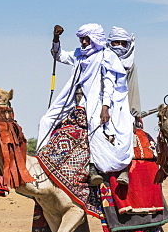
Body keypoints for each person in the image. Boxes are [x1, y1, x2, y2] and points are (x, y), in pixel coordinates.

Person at [38, 23, 134, 184]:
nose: (83, 42)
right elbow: (58, 55)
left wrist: (105, 107)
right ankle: (43, 161)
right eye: (81, 39)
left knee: (93, 125)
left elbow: (109, 83)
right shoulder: (78, 54)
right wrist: (56, 39)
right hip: (71, 97)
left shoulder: (106, 56)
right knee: (46, 121)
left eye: (86, 39)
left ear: (95, 39)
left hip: (97, 99)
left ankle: (94, 166)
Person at [108, 26, 140, 115]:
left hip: (123, 108)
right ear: (111, 43)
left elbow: (133, 89)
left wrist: (135, 114)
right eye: (117, 42)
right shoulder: (103, 60)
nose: (120, 46)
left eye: (123, 43)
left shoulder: (130, 65)